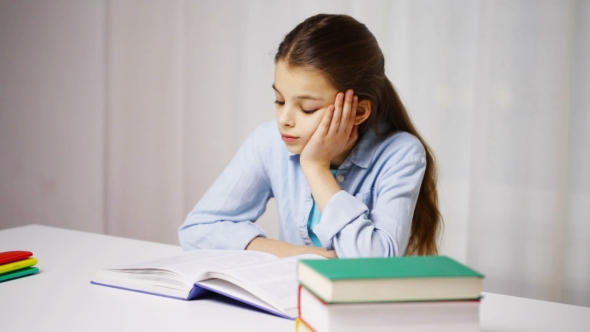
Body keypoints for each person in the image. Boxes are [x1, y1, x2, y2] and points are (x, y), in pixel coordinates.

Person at [178, 14, 441, 258]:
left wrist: (316, 167)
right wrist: (307, 257)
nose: (285, 120)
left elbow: (376, 261)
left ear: (358, 111)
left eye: (307, 108)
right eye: (280, 101)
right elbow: (197, 230)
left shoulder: (401, 154)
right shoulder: (270, 140)